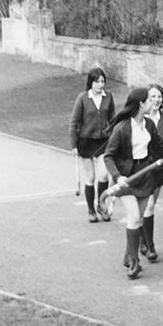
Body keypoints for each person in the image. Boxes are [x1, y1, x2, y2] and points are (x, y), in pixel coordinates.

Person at [103, 87, 163, 279]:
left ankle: (128, 254)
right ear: (140, 104)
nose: (152, 103)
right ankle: (134, 263)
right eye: (148, 100)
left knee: (138, 219)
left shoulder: (148, 124)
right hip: (127, 178)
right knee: (135, 218)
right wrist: (118, 176)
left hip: (145, 176)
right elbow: (109, 156)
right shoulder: (122, 128)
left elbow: (160, 145)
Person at [69, 66, 116, 223]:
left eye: (103, 81)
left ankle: (101, 207)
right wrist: (73, 145)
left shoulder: (108, 97)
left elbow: (113, 120)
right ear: (91, 83)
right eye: (97, 82)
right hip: (85, 142)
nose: (101, 84)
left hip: (103, 141)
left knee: (103, 176)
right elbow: (74, 122)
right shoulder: (82, 98)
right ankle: (90, 210)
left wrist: (115, 139)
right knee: (90, 177)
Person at [139, 83, 163, 262]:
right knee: (146, 206)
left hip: (159, 167)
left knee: (150, 205)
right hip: (142, 167)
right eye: (152, 96)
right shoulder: (140, 118)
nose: (156, 100)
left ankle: (142, 239)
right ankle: (150, 246)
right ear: (146, 99)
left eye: (159, 96)